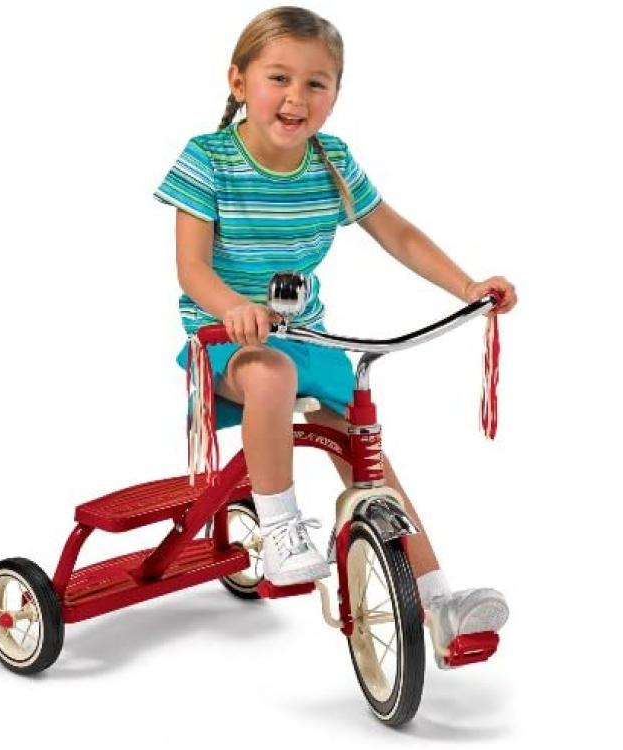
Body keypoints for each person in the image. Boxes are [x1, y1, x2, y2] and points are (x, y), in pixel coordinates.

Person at [153, 6, 517, 668]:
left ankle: (439, 599)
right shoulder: (208, 160)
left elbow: (396, 232)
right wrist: (234, 308)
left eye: (316, 83)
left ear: (335, 94)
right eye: (279, 78)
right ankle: (281, 528)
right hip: (224, 338)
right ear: (238, 82)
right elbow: (191, 269)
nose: (296, 97)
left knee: (366, 455)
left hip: (306, 337)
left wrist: (466, 286)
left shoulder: (333, 160)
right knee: (271, 375)